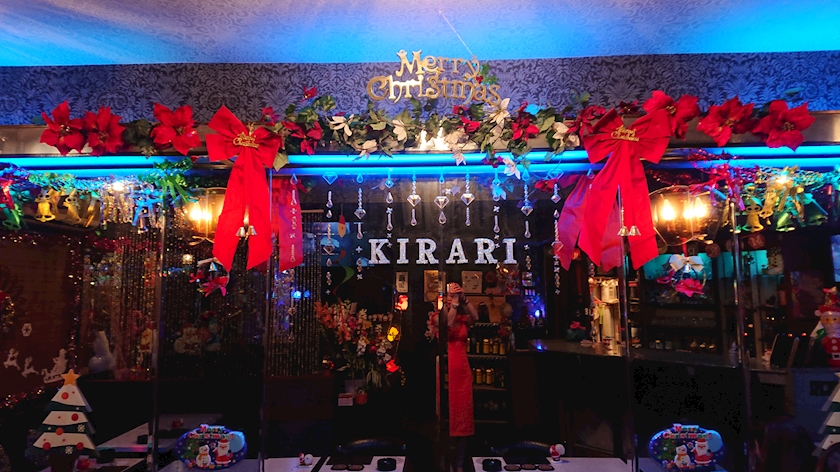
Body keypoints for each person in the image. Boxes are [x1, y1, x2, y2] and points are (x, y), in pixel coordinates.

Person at [446, 282, 478, 472]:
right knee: (449, 416)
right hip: (448, 369)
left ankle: (460, 462)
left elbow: (476, 317)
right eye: (451, 295)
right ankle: (448, 461)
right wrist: (454, 303)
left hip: (463, 370)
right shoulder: (442, 314)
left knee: (464, 416)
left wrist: (464, 299)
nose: (454, 297)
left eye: (455, 294)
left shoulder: (463, 318)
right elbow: (448, 323)